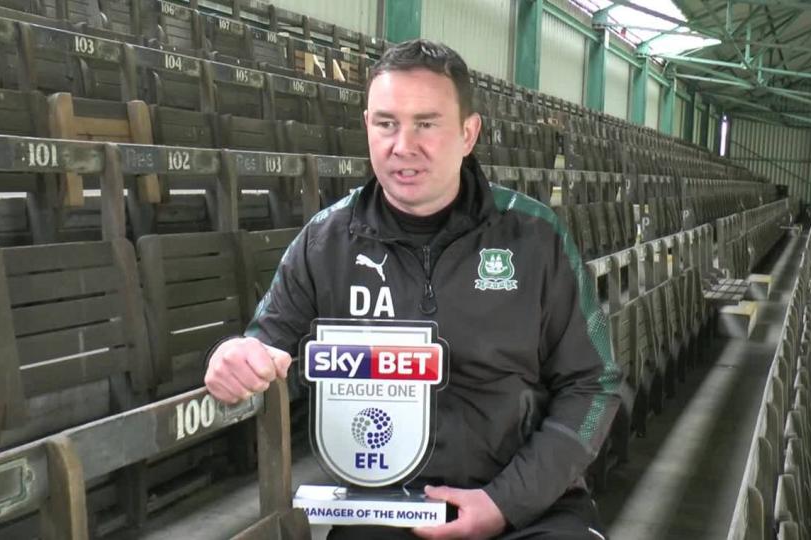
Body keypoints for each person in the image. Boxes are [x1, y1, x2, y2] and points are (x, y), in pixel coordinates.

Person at [205, 39, 622, 540]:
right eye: (386, 123)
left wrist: (505, 502)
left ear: (468, 133)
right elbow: (263, 345)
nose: (403, 145)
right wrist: (236, 356)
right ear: (367, 126)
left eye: (426, 124)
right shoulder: (324, 241)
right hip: (383, 510)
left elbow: (593, 383)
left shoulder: (535, 235)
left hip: (527, 508)